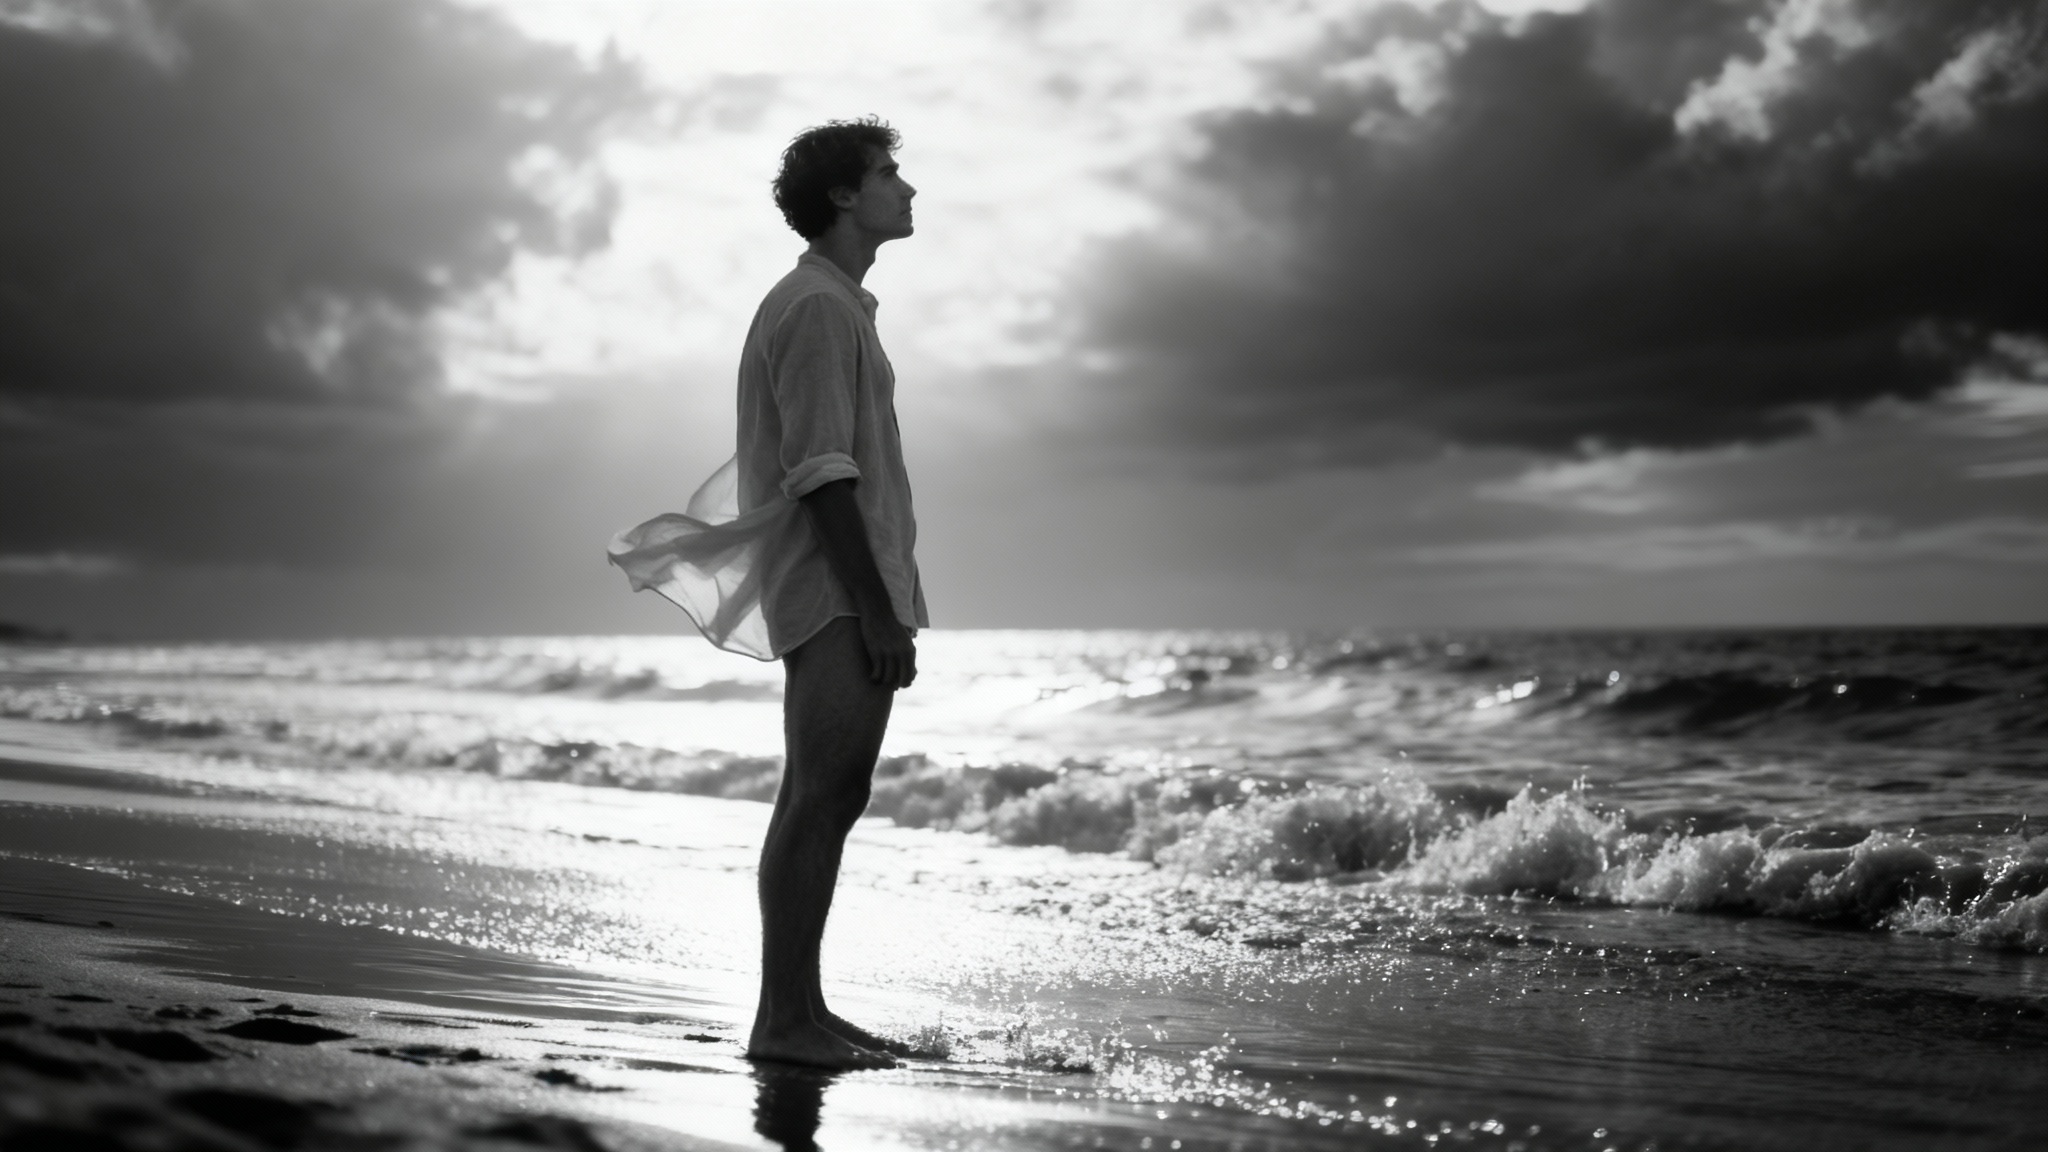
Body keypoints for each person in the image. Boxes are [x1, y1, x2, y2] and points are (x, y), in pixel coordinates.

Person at [607, 117, 924, 1071]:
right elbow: (821, 475)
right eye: (888, 174)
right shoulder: (817, 308)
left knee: (828, 794)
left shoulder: (834, 305)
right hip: (834, 585)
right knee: (821, 796)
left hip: (841, 581)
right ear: (842, 196)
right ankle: (785, 1020)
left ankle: (802, 1009)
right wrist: (872, 605)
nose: (908, 190)